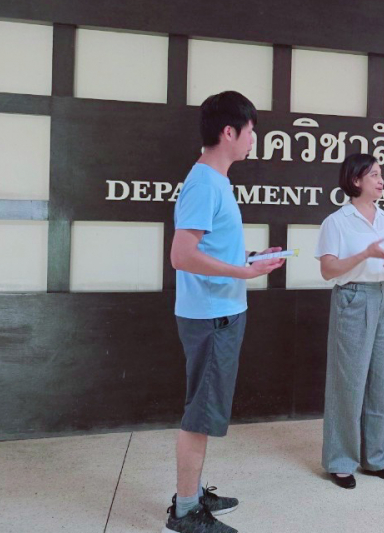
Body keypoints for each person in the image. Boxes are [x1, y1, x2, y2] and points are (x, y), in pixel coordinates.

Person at [164, 91, 285, 533]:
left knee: (205, 409)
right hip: (212, 316)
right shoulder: (204, 183)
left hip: (220, 311)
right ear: (229, 132)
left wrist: (250, 259)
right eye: (251, 130)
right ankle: (185, 511)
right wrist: (243, 271)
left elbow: (210, 250)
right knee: (200, 414)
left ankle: (193, 494)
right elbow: (182, 255)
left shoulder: (215, 181)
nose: (254, 139)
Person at [315, 153, 384, 489]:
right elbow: (328, 270)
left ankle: (378, 458)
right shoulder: (337, 222)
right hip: (353, 297)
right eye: (374, 175)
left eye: (381, 174)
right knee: (348, 381)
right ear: (355, 180)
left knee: (380, 380)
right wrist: (364, 254)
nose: (381, 180)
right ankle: (340, 461)